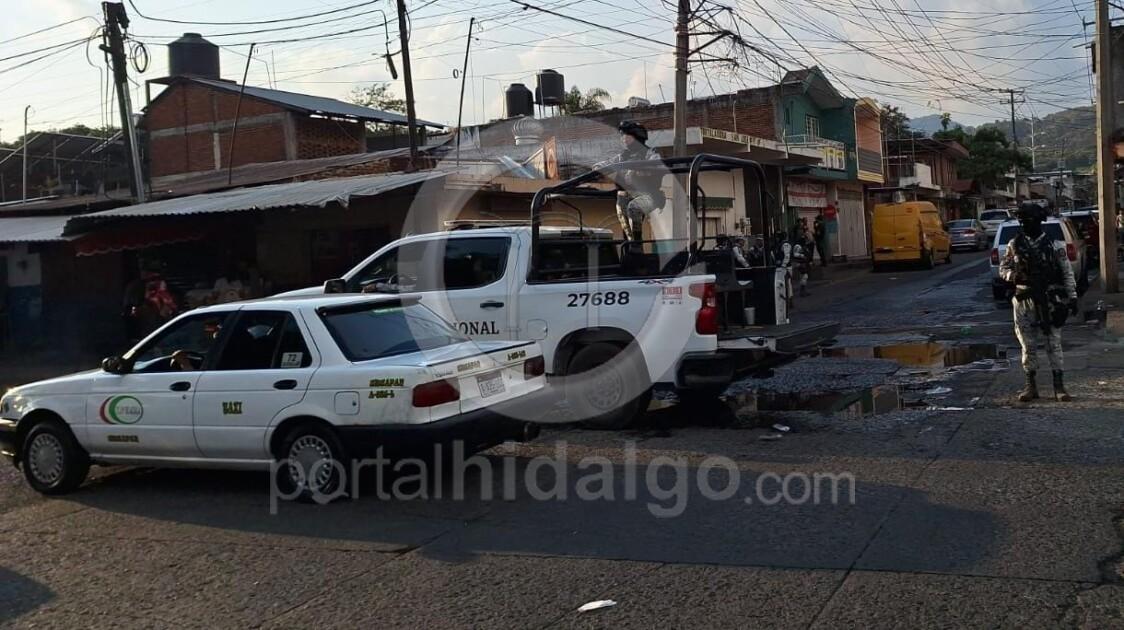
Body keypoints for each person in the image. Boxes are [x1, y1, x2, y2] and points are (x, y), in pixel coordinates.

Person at [999, 202, 1078, 402]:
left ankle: (1059, 387)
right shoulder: (1014, 245)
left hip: (1049, 299)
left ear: (1039, 221)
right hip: (1024, 300)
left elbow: (1067, 272)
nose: (1026, 224)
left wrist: (1072, 298)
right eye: (1023, 221)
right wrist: (1013, 276)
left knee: (1054, 344)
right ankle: (1030, 386)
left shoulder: (1054, 245)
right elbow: (1003, 268)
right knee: (1027, 345)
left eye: (1029, 220)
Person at [594, 121, 666, 241]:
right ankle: (632, 245)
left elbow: (658, 167)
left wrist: (637, 171)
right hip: (624, 197)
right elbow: (601, 165)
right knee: (627, 230)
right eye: (622, 136)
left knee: (634, 208)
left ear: (636, 136)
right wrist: (605, 170)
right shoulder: (622, 157)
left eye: (627, 135)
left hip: (649, 195)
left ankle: (636, 243)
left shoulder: (650, 153)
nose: (623, 139)